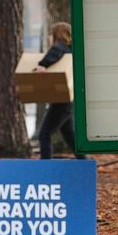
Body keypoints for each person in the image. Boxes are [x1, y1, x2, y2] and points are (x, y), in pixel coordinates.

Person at [34, 22, 84, 159]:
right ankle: (84, 163)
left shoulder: (59, 47)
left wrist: (43, 65)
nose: (49, 37)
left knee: (44, 134)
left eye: (51, 34)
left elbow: (54, 52)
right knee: (69, 135)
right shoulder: (72, 49)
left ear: (57, 35)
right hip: (68, 99)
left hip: (61, 101)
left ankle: (45, 167)